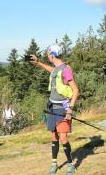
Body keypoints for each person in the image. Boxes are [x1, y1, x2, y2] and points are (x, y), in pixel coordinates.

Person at [30, 45, 79, 175]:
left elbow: (75, 90)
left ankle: (71, 164)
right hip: (52, 106)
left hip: (63, 107)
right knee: (54, 136)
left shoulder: (66, 69)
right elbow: (52, 71)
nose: (47, 57)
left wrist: (70, 110)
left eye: (47, 55)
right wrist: (38, 63)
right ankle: (54, 163)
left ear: (52, 55)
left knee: (63, 137)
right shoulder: (57, 69)